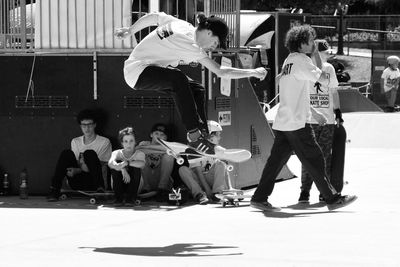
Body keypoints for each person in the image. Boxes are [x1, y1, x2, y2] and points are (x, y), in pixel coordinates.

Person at [115, 12, 267, 154]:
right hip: (137, 72)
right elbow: (221, 71)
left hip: (150, 69)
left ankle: (204, 136)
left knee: (197, 88)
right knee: (178, 79)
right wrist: (252, 72)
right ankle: (194, 136)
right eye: (215, 42)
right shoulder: (191, 46)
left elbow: (155, 16)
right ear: (208, 32)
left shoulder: (182, 25)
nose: (213, 48)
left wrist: (131, 30)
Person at [250, 25, 357, 212]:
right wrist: (319, 58)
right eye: (310, 41)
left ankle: (259, 197)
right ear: (301, 44)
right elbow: (324, 79)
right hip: (298, 121)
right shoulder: (301, 61)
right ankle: (332, 199)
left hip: (285, 120)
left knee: (275, 162)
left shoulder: (289, 61)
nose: (312, 44)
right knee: (315, 158)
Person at [298, 39, 344, 203]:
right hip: (312, 119)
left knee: (318, 156)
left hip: (323, 120)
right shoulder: (311, 68)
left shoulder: (327, 68)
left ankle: (319, 191)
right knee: (316, 156)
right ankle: (307, 191)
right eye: (325, 53)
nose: (326, 56)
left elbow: (333, 91)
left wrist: (337, 111)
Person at [47, 109, 112, 201]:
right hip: (78, 181)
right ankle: (54, 189)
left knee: (89, 153)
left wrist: (78, 169)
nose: (87, 128)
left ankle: (100, 191)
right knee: (66, 153)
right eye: (84, 125)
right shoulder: (75, 141)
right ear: (80, 126)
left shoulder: (104, 142)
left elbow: (100, 166)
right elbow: (78, 164)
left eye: (89, 125)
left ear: (94, 125)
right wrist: (76, 170)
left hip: (94, 181)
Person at [179, 120, 230, 204]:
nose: (220, 137)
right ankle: (199, 195)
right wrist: (207, 190)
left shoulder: (218, 149)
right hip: (199, 180)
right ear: (209, 136)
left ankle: (217, 194)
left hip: (212, 180)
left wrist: (230, 187)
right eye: (218, 135)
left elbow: (226, 170)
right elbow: (198, 172)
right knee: (182, 169)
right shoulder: (194, 149)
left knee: (221, 163)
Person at [136, 123, 182, 202]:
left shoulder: (169, 146)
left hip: (162, 180)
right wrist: (161, 149)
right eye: (156, 133)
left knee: (169, 156)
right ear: (151, 135)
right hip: (147, 179)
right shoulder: (144, 143)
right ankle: (146, 189)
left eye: (162, 134)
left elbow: (171, 151)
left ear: (166, 138)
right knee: (140, 155)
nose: (158, 136)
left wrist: (149, 148)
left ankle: (161, 190)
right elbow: (138, 149)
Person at [108, 127, 145, 206]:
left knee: (135, 165)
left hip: (135, 186)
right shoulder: (116, 153)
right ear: (122, 143)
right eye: (126, 141)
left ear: (135, 142)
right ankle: (118, 199)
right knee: (116, 163)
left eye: (131, 141)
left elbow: (142, 164)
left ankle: (131, 199)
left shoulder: (140, 153)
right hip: (118, 184)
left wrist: (127, 163)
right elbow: (110, 163)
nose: (128, 144)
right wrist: (122, 169)